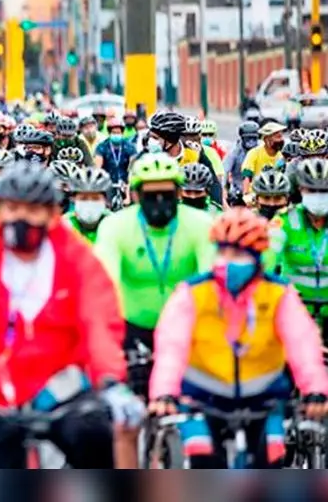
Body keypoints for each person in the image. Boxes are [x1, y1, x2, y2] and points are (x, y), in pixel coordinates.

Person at [0, 161, 143, 469]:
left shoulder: (75, 257)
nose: (21, 218)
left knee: (98, 445)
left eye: (33, 209)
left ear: (52, 213)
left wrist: (110, 381)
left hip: (61, 391)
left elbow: (98, 322)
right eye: (12, 208)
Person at [149, 208, 328, 468]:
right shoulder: (192, 293)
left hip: (264, 399)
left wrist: (315, 389)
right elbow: (171, 347)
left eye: (239, 254)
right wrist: (164, 392)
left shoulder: (278, 294)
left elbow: (303, 342)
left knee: (273, 459)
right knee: (202, 461)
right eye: (223, 252)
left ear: (257, 257)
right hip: (201, 398)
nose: (229, 261)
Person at [93, 153, 217, 468]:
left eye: (167, 193)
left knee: (203, 415)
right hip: (132, 327)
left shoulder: (201, 224)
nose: (159, 201)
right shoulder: (115, 226)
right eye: (150, 194)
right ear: (135, 195)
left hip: (188, 328)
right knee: (126, 421)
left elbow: (212, 281)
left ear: (179, 193)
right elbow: (105, 283)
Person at [267, 158, 328, 337]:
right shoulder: (285, 220)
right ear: (301, 190)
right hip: (295, 310)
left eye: (324, 191)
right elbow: (268, 256)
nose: (318, 196)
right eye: (312, 190)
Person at [63, 167, 112, 243]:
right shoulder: (64, 225)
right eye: (83, 198)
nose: (89, 202)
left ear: (105, 200)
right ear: (73, 199)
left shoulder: (115, 224)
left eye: (95, 198)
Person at [242, 122, 287, 195]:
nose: (280, 140)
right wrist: (246, 194)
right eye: (277, 137)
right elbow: (246, 175)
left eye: (281, 137)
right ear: (267, 140)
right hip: (256, 194)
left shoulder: (281, 156)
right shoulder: (254, 153)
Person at [224, 121, 261, 200]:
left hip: (260, 191)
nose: (251, 142)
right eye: (248, 138)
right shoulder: (234, 151)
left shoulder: (262, 149)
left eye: (254, 138)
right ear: (242, 138)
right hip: (238, 191)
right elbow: (224, 171)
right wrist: (223, 190)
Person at [95, 118, 138, 184]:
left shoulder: (130, 147)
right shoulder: (102, 147)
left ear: (122, 133)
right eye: (114, 133)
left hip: (126, 182)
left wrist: (129, 182)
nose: (116, 135)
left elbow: (133, 167)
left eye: (118, 133)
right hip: (107, 183)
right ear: (109, 133)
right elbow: (98, 167)